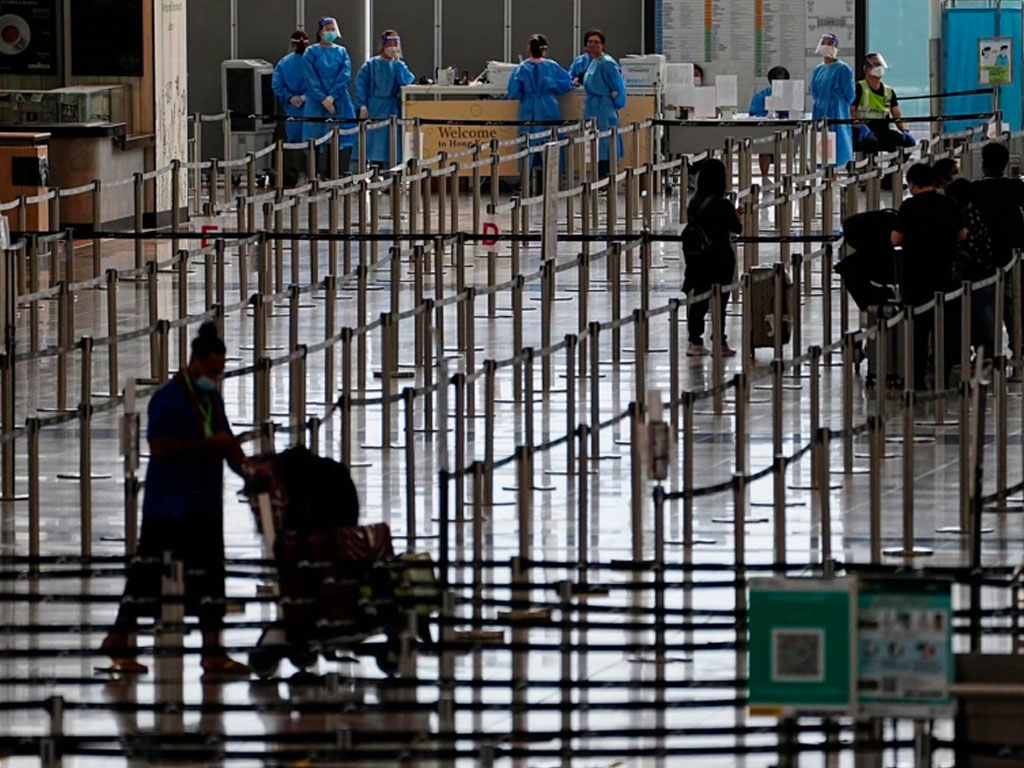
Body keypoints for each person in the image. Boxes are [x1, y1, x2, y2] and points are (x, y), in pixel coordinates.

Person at [100, 323, 249, 676]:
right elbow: (160, 448)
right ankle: (119, 636)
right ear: (194, 363)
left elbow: (224, 438)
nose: (216, 376)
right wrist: (207, 447)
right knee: (147, 574)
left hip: (204, 504)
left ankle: (213, 651)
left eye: (220, 371)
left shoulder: (210, 396)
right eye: (212, 370)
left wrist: (249, 470)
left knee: (211, 575)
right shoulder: (168, 398)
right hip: (168, 506)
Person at [891, 164, 967, 389]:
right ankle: (942, 374)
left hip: (915, 275)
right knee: (943, 325)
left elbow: (896, 239)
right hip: (944, 272)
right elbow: (962, 235)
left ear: (912, 184)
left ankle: (916, 377)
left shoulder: (909, 206)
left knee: (917, 329)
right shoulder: (949, 204)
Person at [683, 158, 742, 357]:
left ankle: (694, 340)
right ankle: (719, 339)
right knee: (720, 301)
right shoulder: (723, 205)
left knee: (699, 298)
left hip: (698, 257)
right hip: (721, 257)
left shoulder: (694, 203)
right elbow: (737, 228)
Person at [971, 142, 1024, 351]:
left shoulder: (975, 190)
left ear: (983, 164)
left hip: (987, 254)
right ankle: (1018, 344)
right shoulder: (1016, 187)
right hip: (1015, 252)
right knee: (1015, 302)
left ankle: (988, 349)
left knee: (987, 303)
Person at [508, 33, 573, 179]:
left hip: (528, 108)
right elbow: (566, 84)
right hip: (548, 107)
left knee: (527, 143)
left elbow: (514, 91)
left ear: (529, 48)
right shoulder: (551, 66)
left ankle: (526, 178)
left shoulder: (522, 68)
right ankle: (550, 178)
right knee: (550, 142)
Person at [946, 178, 997, 357]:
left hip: (973, 271)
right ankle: (986, 351)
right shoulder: (975, 213)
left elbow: (969, 244)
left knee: (975, 314)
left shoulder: (963, 217)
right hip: (983, 269)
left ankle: (973, 350)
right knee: (983, 312)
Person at [303, 16, 357, 177]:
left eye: (333, 29)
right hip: (316, 103)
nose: (330, 32)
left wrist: (332, 97)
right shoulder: (311, 52)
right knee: (316, 137)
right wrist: (323, 99)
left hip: (339, 101)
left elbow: (345, 75)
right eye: (327, 29)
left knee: (341, 136)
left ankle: (338, 173)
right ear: (320, 32)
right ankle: (317, 174)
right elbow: (310, 78)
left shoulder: (341, 52)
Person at [354, 29, 415, 167]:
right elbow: (360, 84)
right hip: (374, 108)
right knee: (373, 145)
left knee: (392, 145)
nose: (393, 48)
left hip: (392, 108)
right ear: (383, 46)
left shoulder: (399, 65)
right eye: (390, 44)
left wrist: (398, 63)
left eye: (395, 44)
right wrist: (362, 105)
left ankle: (390, 179)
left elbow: (406, 82)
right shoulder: (371, 65)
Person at [581, 28, 627, 178]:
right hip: (593, 107)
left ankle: (605, 177)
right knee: (596, 144)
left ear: (603, 45)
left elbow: (617, 86)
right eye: (590, 42)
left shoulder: (607, 63)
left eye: (597, 42)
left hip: (604, 108)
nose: (593, 45)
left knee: (605, 144)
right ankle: (598, 176)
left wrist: (616, 98)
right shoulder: (594, 62)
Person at [851, 53, 916, 154]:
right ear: (866, 69)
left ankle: (894, 167)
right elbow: (850, 112)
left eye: (880, 65)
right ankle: (868, 168)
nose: (879, 68)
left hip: (883, 131)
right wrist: (861, 127)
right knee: (871, 143)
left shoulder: (888, 91)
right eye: (876, 64)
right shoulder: (859, 88)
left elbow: (897, 115)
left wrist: (905, 130)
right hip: (865, 132)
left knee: (908, 143)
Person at [810, 33, 855, 167]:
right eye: (824, 43)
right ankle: (824, 174)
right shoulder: (818, 69)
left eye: (830, 44)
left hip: (837, 110)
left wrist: (838, 106)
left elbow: (849, 94)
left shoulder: (843, 68)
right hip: (820, 110)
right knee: (821, 145)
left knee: (837, 144)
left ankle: (834, 174)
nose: (826, 46)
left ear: (836, 47)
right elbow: (815, 90)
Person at [272, 29, 310, 187]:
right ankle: (313, 175)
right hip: (311, 107)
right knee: (312, 142)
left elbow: (277, 85)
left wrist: (289, 97)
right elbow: (320, 84)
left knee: (295, 144)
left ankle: (301, 175)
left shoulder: (284, 63)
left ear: (292, 44)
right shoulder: (313, 62)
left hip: (293, 108)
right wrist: (305, 97)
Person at [749, 66, 791, 182]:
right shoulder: (762, 96)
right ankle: (765, 177)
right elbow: (754, 113)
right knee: (765, 147)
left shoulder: (792, 95)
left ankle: (787, 176)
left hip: (787, 130)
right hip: (766, 129)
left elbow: (797, 112)